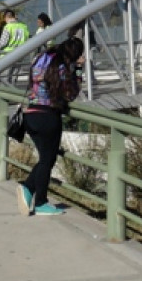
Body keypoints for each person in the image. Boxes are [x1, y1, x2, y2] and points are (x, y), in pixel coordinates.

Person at [16, 36, 84, 217]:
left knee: (46, 158)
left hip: (31, 115)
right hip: (48, 117)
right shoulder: (61, 68)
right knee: (48, 160)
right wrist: (78, 69)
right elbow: (71, 94)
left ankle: (28, 189)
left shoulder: (39, 59)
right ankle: (40, 202)